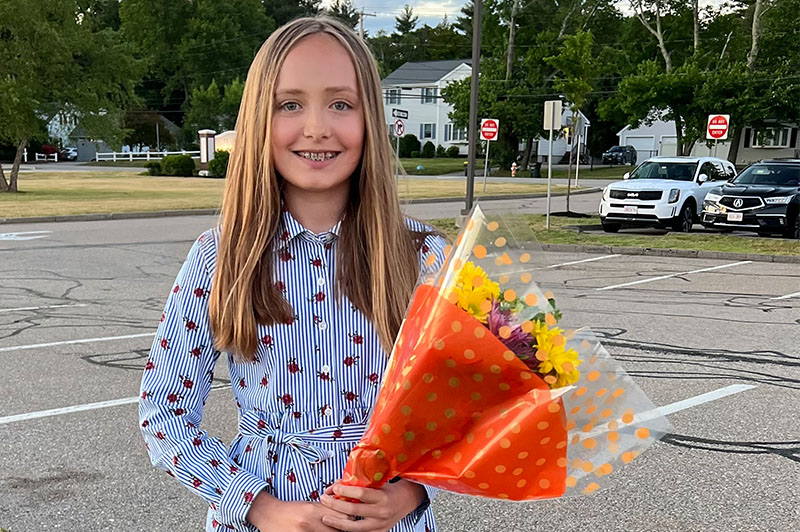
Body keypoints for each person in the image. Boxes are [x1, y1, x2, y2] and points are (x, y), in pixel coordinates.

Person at [138, 16, 447, 532]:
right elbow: (163, 414)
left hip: (387, 518)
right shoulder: (223, 256)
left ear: (371, 116)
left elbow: (463, 409)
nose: (317, 127)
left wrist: (412, 491)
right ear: (261, 119)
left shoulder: (425, 255)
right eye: (290, 104)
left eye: (341, 104)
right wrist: (258, 506)